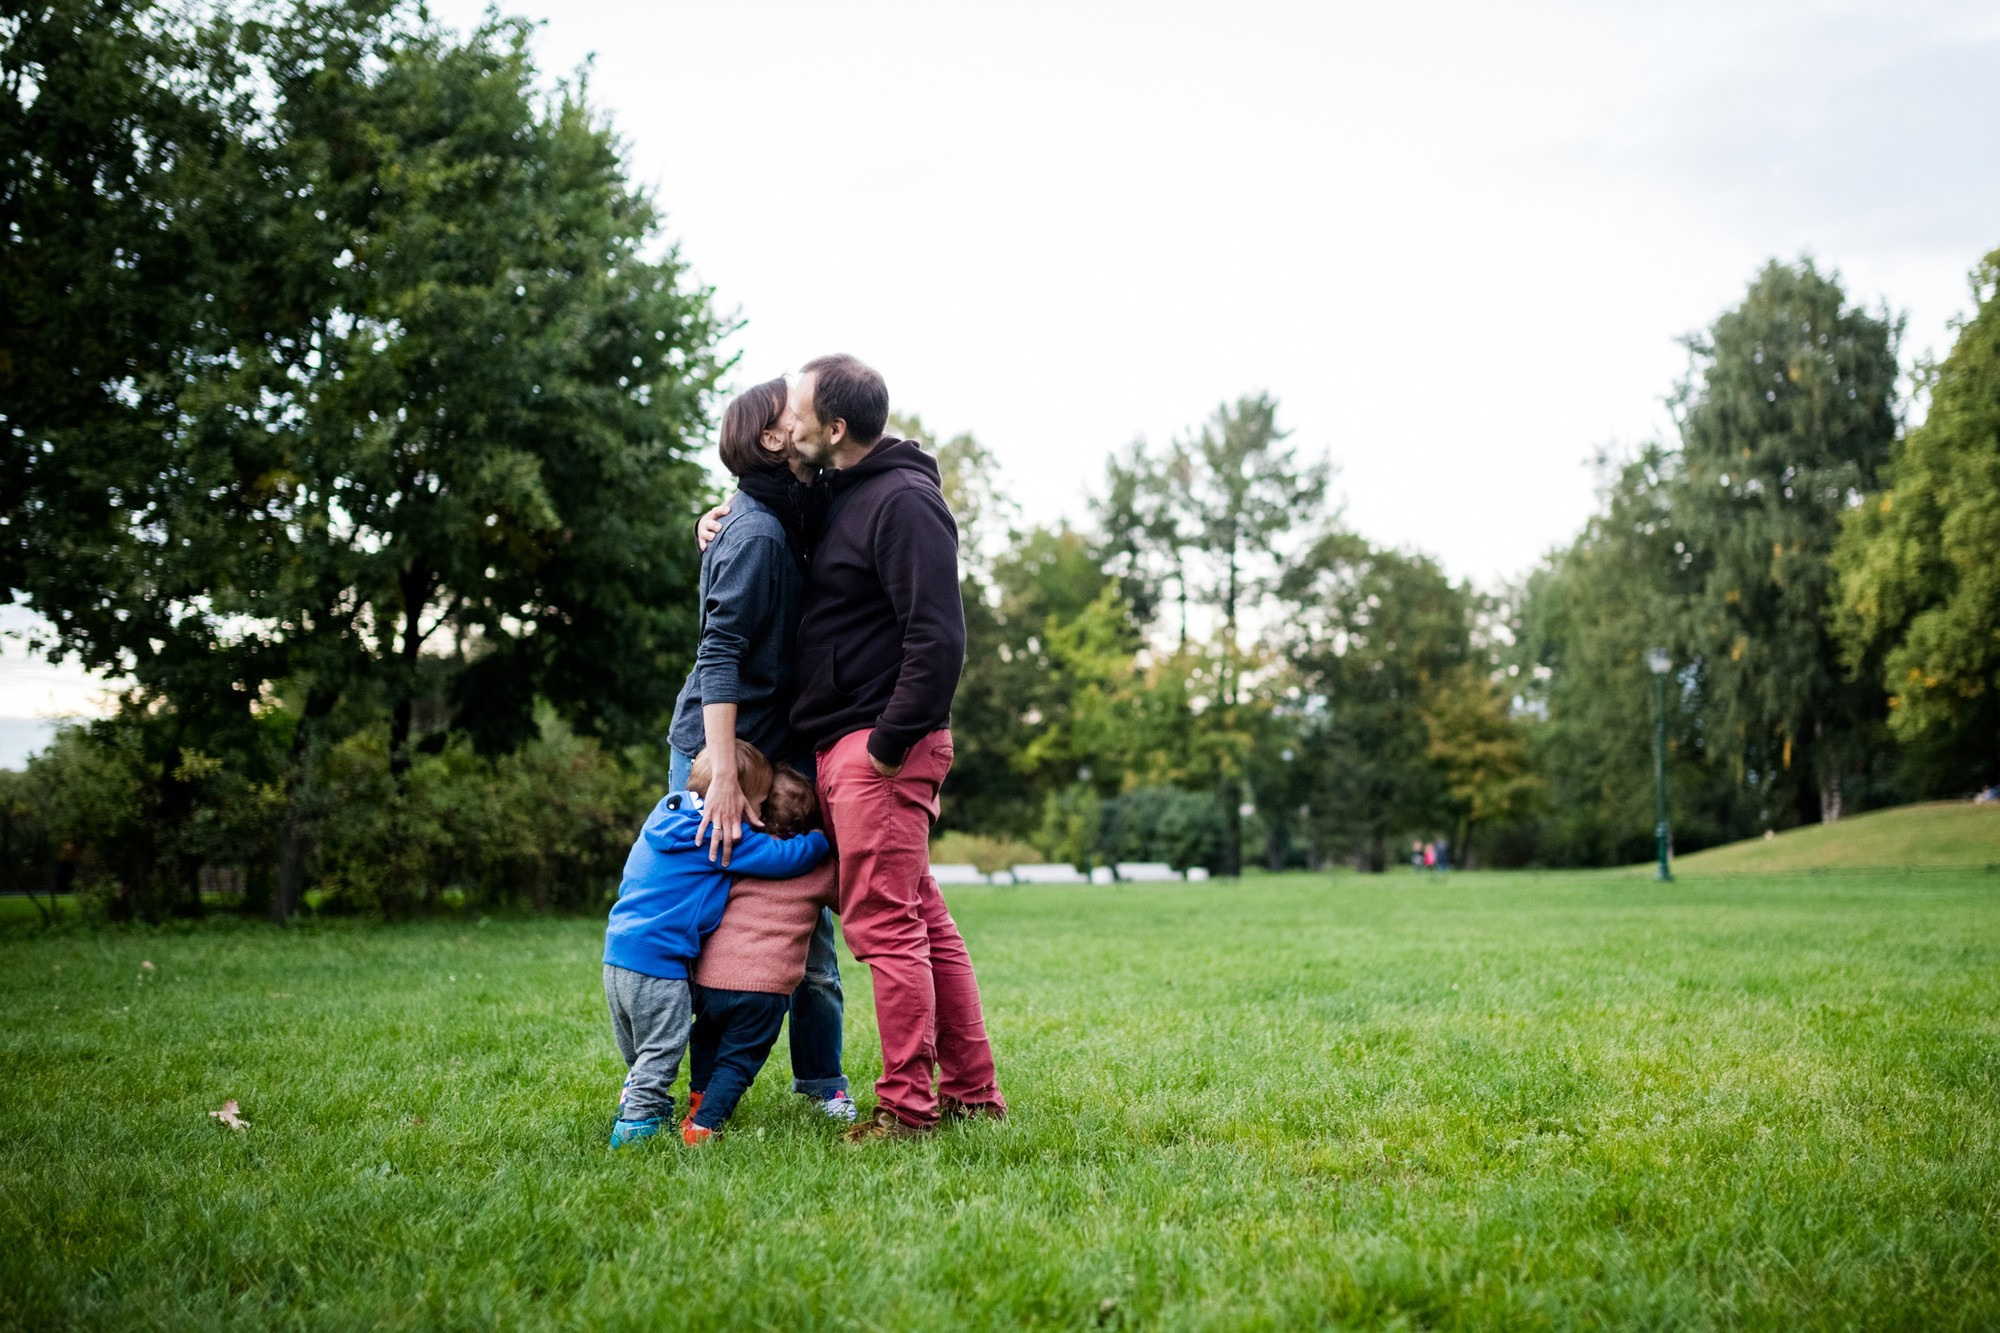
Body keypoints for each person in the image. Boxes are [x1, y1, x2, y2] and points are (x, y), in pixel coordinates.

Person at [785, 353, 1005, 1140]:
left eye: (799, 411)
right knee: (921, 921)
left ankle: (906, 1109)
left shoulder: (905, 501)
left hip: (879, 745)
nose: (788, 422)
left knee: (886, 928)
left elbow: (937, 637)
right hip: (852, 738)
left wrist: (886, 743)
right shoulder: (845, 490)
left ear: (836, 428)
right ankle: (972, 1094)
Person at [666, 377, 854, 1123]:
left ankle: (821, 1081)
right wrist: (719, 776)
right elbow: (718, 652)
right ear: (773, 439)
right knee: (703, 918)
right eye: (791, 407)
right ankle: (690, 1085)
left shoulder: (793, 509)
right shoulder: (755, 534)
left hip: (780, 749)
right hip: (720, 752)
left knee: (806, 926)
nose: (807, 410)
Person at [603, 742, 829, 1148]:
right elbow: (784, 858)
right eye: (756, 805)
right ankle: (636, 1129)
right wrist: (820, 839)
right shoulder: (718, 834)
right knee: (661, 1051)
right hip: (662, 964)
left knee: (640, 1053)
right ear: (730, 800)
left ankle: (645, 1105)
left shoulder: (667, 813)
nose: (757, 817)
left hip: (617, 954)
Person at [681, 766, 840, 1143]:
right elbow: (848, 902)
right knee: (737, 1060)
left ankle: (697, 1103)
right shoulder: (819, 868)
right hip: (764, 989)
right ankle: (705, 1127)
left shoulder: (739, 853)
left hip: (710, 981)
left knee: (705, 1040)